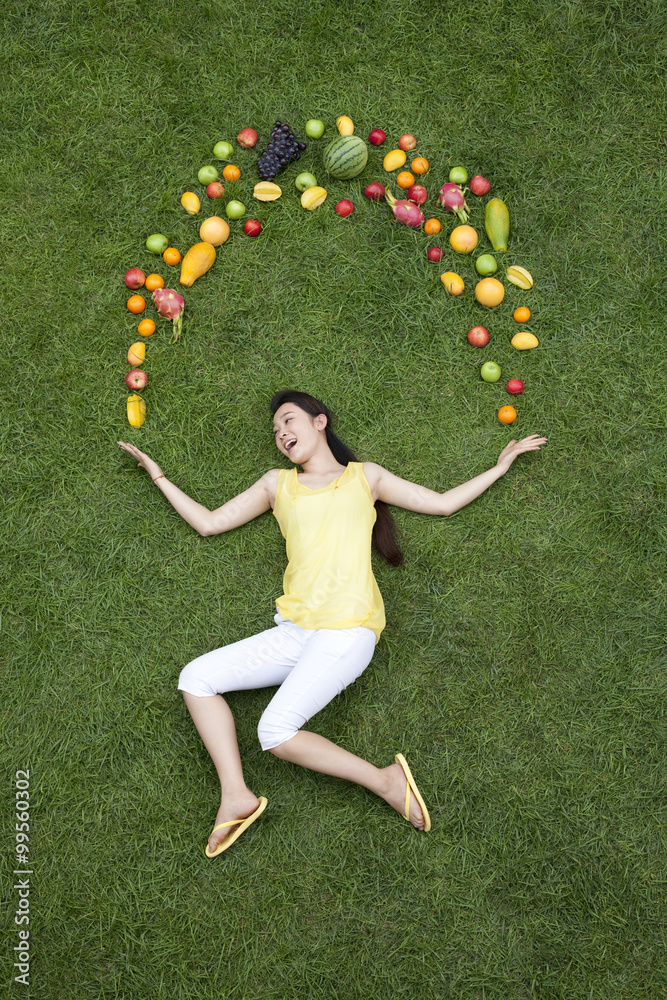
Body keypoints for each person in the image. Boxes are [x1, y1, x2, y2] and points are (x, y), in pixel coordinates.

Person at [118, 390, 546, 856]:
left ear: (320, 422)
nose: (282, 434)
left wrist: (499, 467)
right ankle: (236, 796)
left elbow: (441, 503)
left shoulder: (366, 478)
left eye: (289, 421)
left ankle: (385, 780)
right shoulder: (275, 485)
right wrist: (156, 474)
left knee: (274, 732)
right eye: (276, 430)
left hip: (347, 629)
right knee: (195, 678)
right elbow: (208, 523)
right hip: (295, 630)